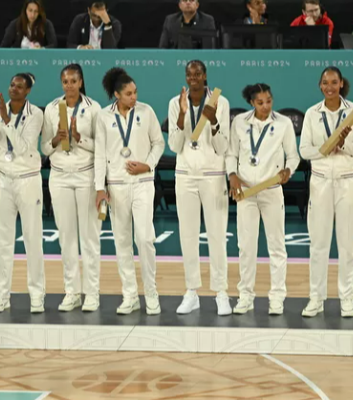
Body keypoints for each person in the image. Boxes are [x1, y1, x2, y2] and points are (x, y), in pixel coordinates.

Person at [94, 68, 165, 315]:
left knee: (145, 239)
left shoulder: (146, 112)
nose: (134, 97)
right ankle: (130, 295)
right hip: (116, 186)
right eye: (128, 94)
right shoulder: (103, 117)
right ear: (116, 94)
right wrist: (99, 188)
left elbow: (159, 143)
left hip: (143, 183)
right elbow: (100, 154)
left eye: (135, 92)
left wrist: (149, 164)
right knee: (122, 242)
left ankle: (152, 293)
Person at [300, 67, 353, 318]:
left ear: (341, 84)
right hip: (320, 183)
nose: (330, 86)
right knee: (318, 244)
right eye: (325, 82)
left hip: (348, 181)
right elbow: (304, 150)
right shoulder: (311, 114)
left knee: (348, 244)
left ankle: (346, 298)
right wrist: (326, 149)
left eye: (334, 82)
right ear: (320, 85)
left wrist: (344, 144)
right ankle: (316, 298)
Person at [226, 84, 299, 315]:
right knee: (246, 247)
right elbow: (231, 154)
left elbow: (294, 156)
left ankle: (277, 297)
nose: (265, 106)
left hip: (271, 190)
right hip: (246, 192)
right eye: (260, 102)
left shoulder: (283, 123)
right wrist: (232, 175)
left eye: (269, 100)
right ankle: (245, 296)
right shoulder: (239, 122)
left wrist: (289, 170)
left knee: (277, 246)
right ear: (251, 102)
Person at [167, 60, 232, 316]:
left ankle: (221, 292)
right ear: (185, 77)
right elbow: (174, 145)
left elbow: (223, 147)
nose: (193, 78)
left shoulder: (220, 102)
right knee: (188, 235)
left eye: (198, 74)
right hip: (185, 175)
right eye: (189, 74)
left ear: (205, 76)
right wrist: (183, 114)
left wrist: (214, 121)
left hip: (213, 176)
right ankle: (191, 291)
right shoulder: (175, 103)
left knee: (217, 235)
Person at [0, 73, 46, 313]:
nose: (14, 89)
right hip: (3, 179)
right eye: (12, 85)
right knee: (3, 239)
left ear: (28, 92)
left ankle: (37, 295)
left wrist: (6, 121)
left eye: (20, 86)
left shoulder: (36, 114)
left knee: (32, 238)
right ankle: (2, 296)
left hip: (28, 179)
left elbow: (24, 148)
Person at [42, 64, 102, 312]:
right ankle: (72, 292)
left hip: (85, 176)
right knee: (66, 238)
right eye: (65, 81)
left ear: (81, 82)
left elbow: (102, 147)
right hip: (59, 177)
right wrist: (57, 138)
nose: (69, 85)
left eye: (73, 81)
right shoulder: (51, 108)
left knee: (89, 238)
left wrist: (79, 138)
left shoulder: (94, 108)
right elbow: (45, 148)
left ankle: (92, 293)